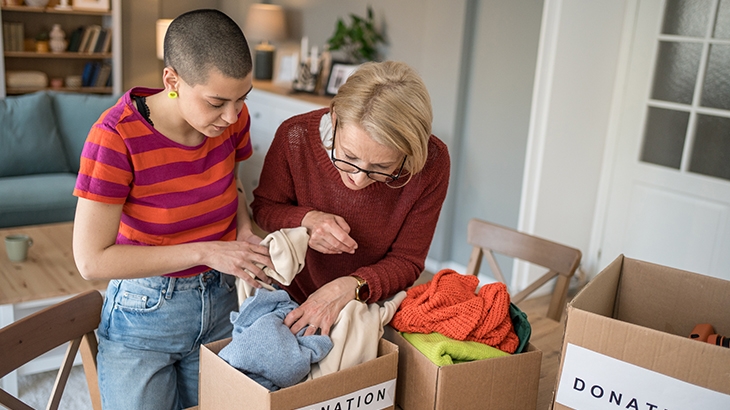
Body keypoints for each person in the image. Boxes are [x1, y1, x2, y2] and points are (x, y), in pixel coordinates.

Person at [72, 9, 273, 410]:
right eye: (217, 101)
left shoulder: (231, 120)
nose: (232, 116)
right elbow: (91, 261)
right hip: (143, 313)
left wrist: (244, 230)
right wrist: (206, 250)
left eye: (241, 99)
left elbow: (229, 184)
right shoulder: (114, 137)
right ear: (172, 80)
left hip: (221, 300)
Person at [251, 60, 450, 337]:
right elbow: (264, 209)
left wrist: (349, 287)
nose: (358, 180)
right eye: (349, 157)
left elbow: (408, 260)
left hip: (370, 306)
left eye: (381, 168)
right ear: (334, 120)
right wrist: (306, 221)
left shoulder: (432, 163)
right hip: (290, 298)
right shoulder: (295, 136)